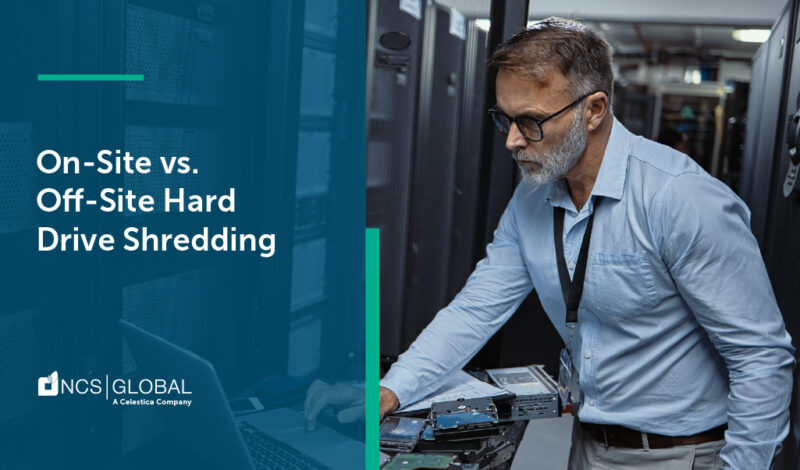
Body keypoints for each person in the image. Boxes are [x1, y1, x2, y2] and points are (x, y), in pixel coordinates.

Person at [306, 17, 795, 469]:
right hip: (586, 444)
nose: (512, 142)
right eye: (505, 119)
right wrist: (390, 390)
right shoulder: (532, 197)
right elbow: (476, 309)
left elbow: (760, 357)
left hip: (681, 455)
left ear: (594, 110)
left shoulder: (681, 199)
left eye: (531, 121)